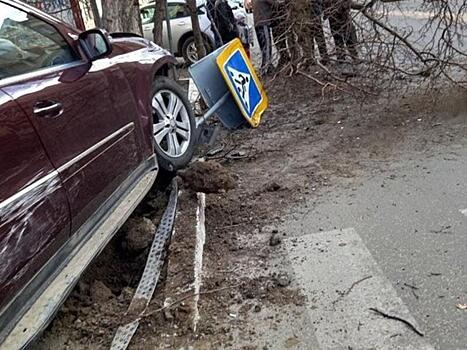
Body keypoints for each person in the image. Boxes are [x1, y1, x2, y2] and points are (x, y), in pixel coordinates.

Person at [252, 0, 274, 74]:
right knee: (267, 46)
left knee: (263, 47)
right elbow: (275, 3)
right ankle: (266, 68)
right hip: (263, 22)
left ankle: (267, 66)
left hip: (257, 23)